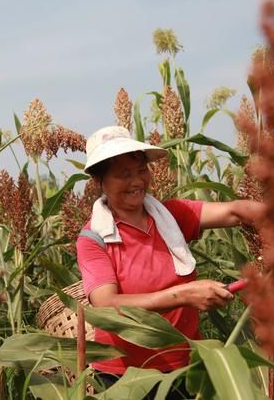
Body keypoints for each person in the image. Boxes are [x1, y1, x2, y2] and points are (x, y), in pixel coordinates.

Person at [76, 126, 264, 398]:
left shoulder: (170, 216)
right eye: (123, 175)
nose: (137, 181)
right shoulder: (93, 238)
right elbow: (106, 304)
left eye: (141, 170)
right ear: (99, 181)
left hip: (187, 363)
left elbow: (235, 213)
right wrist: (184, 295)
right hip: (127, 375)